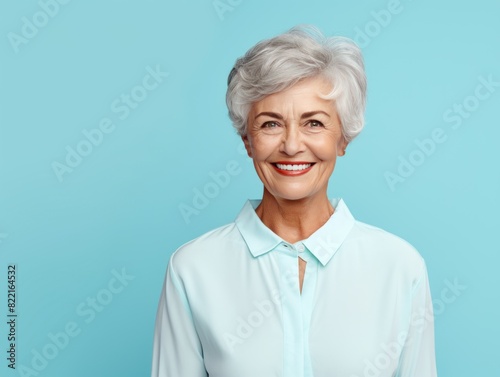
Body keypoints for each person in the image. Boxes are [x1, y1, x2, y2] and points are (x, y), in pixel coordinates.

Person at [150, 25, 437, 377]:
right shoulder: (193, 269)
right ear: (247, 141)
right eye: (270, 124)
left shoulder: (400, 267)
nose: (291, 145)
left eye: (314, 123)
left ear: (342, 139)